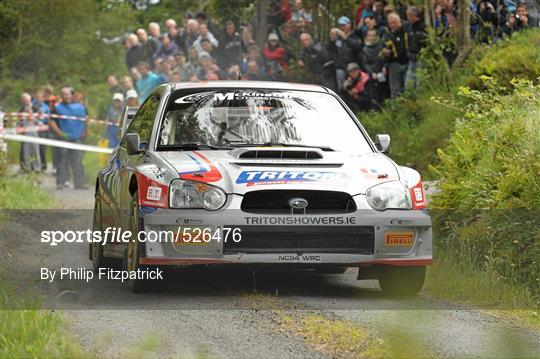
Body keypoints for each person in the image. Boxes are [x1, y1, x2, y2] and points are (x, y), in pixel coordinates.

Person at [49, 87, 86, 189]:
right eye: (64, 94)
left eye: (68, 94)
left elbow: (85, 120)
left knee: (77, 161)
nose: (66, 96)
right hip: (63, 138)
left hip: (77, 138)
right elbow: (51, 122)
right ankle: (60, 183)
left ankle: (79, 184)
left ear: (72, 95)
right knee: (62, 160)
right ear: (61, 96)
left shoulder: (80, 107)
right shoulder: (57, 108)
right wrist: (60, 133)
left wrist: (84, 132)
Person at [328, 16, 362, 91]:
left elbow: (357, 47)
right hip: (340, 67)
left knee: (354, 89)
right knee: (341, 89)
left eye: (344, 25)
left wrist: (345, 37)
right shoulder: (337, 39)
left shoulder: (355, 36)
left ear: (349, 25)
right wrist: (332, 40)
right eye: (340, 26)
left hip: (352, 68)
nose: (342, 27)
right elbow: (331, 50)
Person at [382, 13, 409, 98]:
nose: (392, 25)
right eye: (390, 23)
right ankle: (396, 108)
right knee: (395, 89)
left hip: (406, 61)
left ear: (399, 21)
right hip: (393, 63)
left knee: (408, 87)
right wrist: (384, 52)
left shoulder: (406, 29)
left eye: (394, 22)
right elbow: (382, 48)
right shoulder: (387, 34)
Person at [360, 29, 388, 106]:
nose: (372, 37)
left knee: (382, 91)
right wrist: (372, 73)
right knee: (372, 93)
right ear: (367, 37)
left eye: (373, 35)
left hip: (381, 73)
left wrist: (384, 67)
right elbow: (365, 63)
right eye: (370, 36)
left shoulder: (380, 46)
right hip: (371, 74)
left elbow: (384, 59)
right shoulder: (364, 49)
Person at [404, 6, 426, 91]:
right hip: (412, 58)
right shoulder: (409, 27)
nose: (407, 18)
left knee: (419, 83)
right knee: (408, 84)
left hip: (421, 58)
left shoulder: (423, 26)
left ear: (413, 16)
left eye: (408, 16)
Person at [19, 93, 41, 172]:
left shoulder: (35, 108)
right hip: (25, 132)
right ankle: (27, 167)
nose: (24, 102)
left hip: (34, 131)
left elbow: (40, 120)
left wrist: (32, 116)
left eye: (26, 100)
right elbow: (19, 120)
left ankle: (37, 167)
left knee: (35, 150)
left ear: (30, 100)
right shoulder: (21, 109)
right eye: (23, 100)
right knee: (26, 150)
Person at [33, 89, 51, 171]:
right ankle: (34, 165)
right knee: (33, 148)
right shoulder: (31, 104)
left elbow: (49, 118)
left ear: (43, 98)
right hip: (33, 128)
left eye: (40, 97)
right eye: (37, 96)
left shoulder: (46, 107)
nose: (39, 98)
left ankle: (43, 165)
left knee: (42, 148)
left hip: (43, 129)